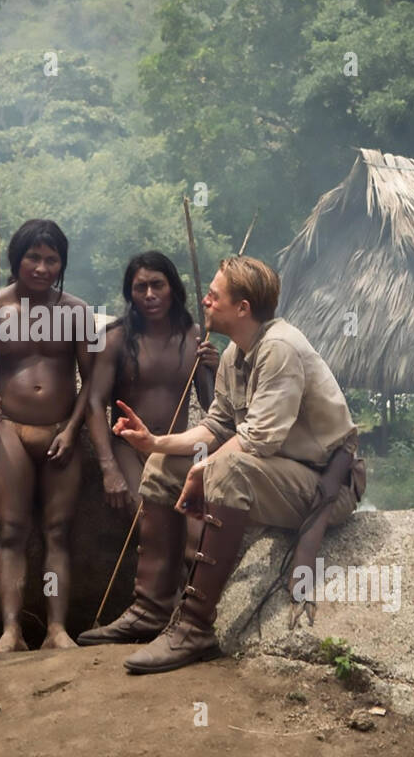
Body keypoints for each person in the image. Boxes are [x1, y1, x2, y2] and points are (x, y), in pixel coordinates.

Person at [111, 256, 365, 673]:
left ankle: (196, 628)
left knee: (226, 468)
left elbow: (257, 440)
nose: (205, 301)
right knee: (161, 465)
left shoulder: (279, 348)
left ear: (242, 308)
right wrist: (155, 441)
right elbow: (217, 426)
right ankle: (153, 609)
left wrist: (201, 470)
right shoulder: (235, 354)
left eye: (214, 295)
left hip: (326, 486)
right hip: (279, 474)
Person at [0, 219, 95, 653]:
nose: (41, 267)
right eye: (33, 257)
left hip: (60, 433)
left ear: (62, 264)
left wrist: (73, 430)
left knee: (58, 531)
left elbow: (92, 383)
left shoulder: (76, 312)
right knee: (12, 530)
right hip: (10, 429)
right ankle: (11, 631)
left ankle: (56, 630)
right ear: (16, 260)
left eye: (52, 259)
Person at [77, 251, 218, 646]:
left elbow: (211, 407)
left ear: (173, 287)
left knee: (196, 537)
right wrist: (108, 468)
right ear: (130, 292)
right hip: (129, 445)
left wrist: (212, 366)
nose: (150, 294)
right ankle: (158, 615)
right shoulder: (117, 339)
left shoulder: (193, 336)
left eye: (158, 284)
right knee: (149, 520)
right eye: (141, 287)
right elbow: (93, 404)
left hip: (175, 446)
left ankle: (191, 619)